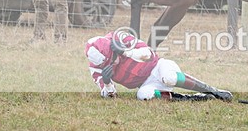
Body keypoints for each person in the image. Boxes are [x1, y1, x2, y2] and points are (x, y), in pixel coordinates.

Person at [85, 28, 233, 101]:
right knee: (142, 96)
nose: (114, 62)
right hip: (145, 84)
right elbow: (111, 96)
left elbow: (149, 54)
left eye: (113, 57)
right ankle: (195, 98)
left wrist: (125, 52)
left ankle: (213, 91)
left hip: (159, 67)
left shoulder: (120, 37)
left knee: (169, 78)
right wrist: (107, 84)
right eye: (109, 63)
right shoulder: (95, 67)